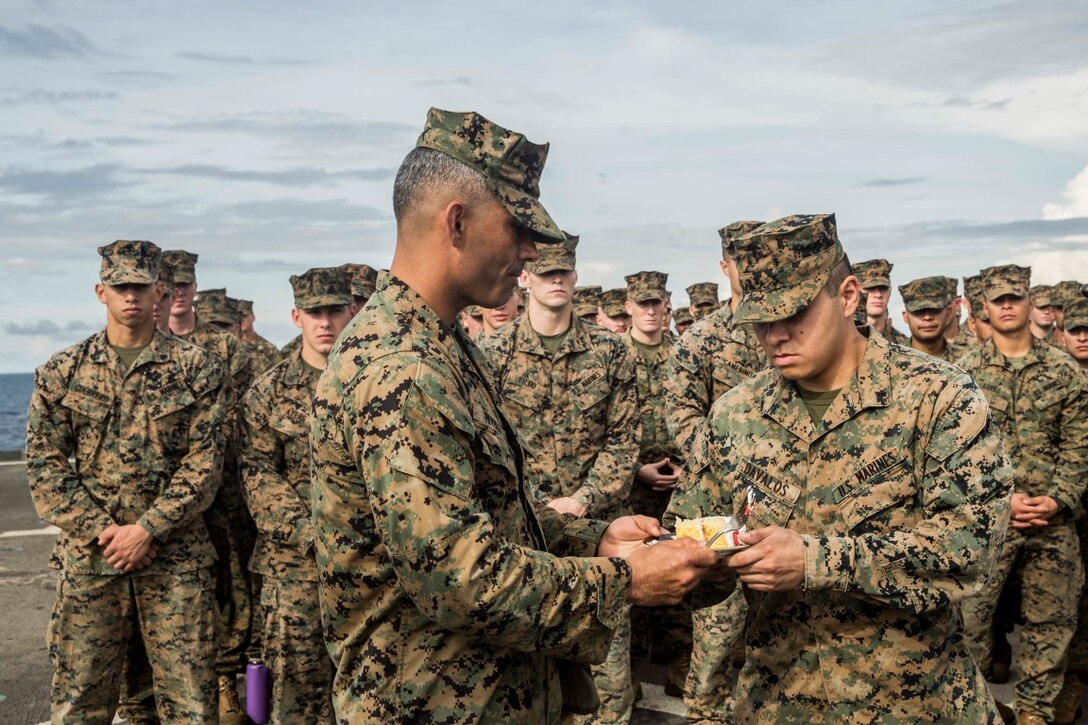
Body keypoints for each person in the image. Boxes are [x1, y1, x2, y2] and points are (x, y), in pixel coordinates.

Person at [310, 107, 717, 724]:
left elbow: (486, 515)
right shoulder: (404, 368)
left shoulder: (443, 347)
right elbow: (458, 576)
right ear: (457, 222)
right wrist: (621, 579)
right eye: (518, 228)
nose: (529, 253)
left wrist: (590, 537)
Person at [668, 213, 1013, 723]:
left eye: (795, 314)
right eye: (761, 319)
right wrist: (675, 556)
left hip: (916, 703)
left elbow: (972, 548)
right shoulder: (734, 414)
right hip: (779, 701)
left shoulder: (936, 395)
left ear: (848, 295)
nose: (776, 335)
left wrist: (816, 561)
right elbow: (697, 541)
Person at [26, 240, 224, 722]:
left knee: (191, 706)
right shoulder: (63, 372)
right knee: (79, 701)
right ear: (101, 291)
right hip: (93, 559)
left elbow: (206, 462)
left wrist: (147, 529)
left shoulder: (197, 368)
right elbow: (45, 466)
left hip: (175, 562)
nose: (130, 296)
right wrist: (107, 533)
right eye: (120, 286)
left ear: (159, 291)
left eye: (140, 286)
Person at [481, 231, 642, 722]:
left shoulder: (611, 353)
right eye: (545, 272)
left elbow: (624, 440)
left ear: (575, 276)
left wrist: (584, 500)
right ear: (525, 278)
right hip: (522, 537)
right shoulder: (492, 353)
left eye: (563, 272)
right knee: (525, 674)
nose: (556, 280)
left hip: (594, 534)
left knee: (608, 677)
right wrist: (538, 505)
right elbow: (486, 449)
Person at [958, 264, 1088, 725]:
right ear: (985, 309)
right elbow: (958, 452)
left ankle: (1035, 714)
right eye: (999, 300)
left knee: (1050, 625)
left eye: (1016, 297)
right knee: (969, 620)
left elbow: (1079, 441)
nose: (1008, 306)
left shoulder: (1064, 370)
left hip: (1052, 521)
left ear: (1030, 302)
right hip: (991, 521)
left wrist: (1058, 498)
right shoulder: (964, 374)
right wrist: (1001, 500)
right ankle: (978, 710)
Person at [240, 267, 356, 724]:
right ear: (296, 316)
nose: (324, 322)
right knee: (297, 700)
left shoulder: (376, 383)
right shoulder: (269, 392)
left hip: (370, 566)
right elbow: (257, 475)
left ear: (351, 312)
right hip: (295, 572)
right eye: (314, 312)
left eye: (333, 311)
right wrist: (312, 533)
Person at [162, 249, 255, 722]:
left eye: (185, 284)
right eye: (171, 284)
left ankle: (227, 682)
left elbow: (255, 412)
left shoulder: (227, 351)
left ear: (194, 289)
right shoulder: (152, 348)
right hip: (168, 500)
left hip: (226, 491)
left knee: (233, 586)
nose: (178, 293)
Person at [621, 270, 691, 697]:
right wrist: (636, 469)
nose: (649, 310)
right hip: (631, 483)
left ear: (666, 307)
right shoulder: (614, 354)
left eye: (655, 303)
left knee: (680, 564)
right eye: (641, 303)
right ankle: (627, 668)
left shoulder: (683, 354)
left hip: (679, 481)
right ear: (629, 307)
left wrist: (684, 468)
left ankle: (679, 660)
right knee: (631, 570)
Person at [1056, 297, 1088, 722]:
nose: (1084, 337)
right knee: (1070, 605)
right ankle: (1071, 683)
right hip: (1071, 508)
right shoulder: (1061, 378)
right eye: (1077, 330)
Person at [898, 276, 965, 362]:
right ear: (906, 317)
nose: (927, 317)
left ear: (948, 313)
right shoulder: (888, 363)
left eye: (935, 310)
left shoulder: (971, 361)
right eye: (919, 311)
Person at [853, 258, 909, 344]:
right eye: (870, 288)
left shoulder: (904, 345)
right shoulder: (844, 341)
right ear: (855, 292)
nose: (878, 295)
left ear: (889, 292)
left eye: (883, 288)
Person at [237, 298, 283, 374]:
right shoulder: (231, 347)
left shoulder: (270, 349)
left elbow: (280, 374)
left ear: (253, 317)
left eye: (245, 316)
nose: (241, 320)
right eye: (238, 317)